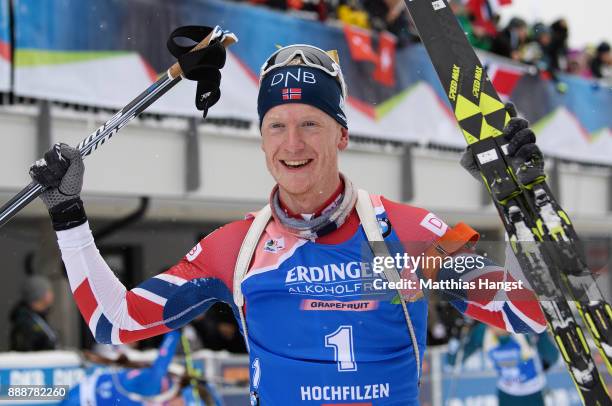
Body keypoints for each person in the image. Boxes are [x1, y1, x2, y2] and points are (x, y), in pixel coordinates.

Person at [29, 29, 548, 404]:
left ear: (342, 134)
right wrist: (69, 215)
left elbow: (528, 312)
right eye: (276, 125)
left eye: (310, 124)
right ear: (261, 139)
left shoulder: (411, 235)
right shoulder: (232, 249)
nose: (292, 144)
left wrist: (519, 204)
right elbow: (112, 320)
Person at [61, 330, 223, 405]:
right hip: (81, 398)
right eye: (183, 404)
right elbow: (162, 361)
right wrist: (175, 331)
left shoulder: (162, 394)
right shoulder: (155, 384)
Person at [447, 323, 559, 406]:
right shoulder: (482, 332)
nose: (496, 325)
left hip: (533, 393)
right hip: (507, 394)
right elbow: (453, 360)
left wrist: (541, 332)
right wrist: (456, 336)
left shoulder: (523, 327)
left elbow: (552, 357)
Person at [9, 275, 58, 351]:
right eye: (48, 291)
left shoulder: (39, 317)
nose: (52, 294)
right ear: (40, 295)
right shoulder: (25, 321)